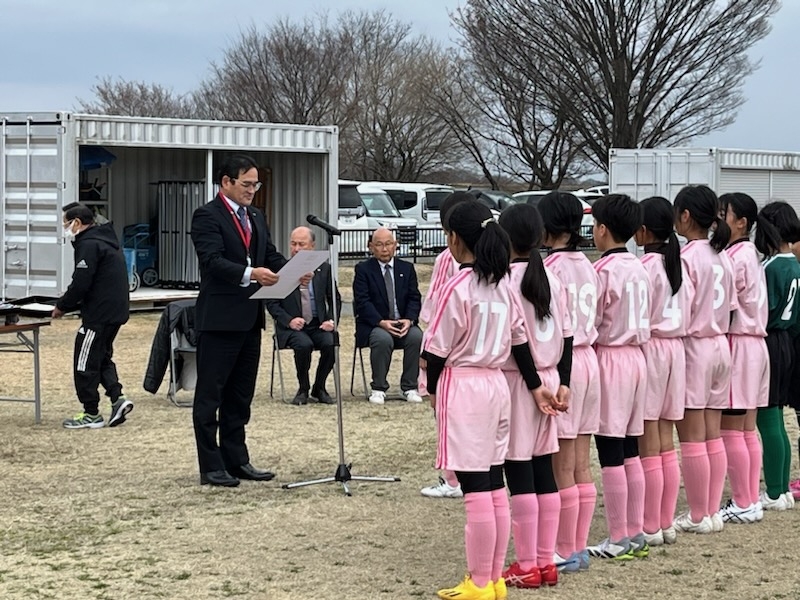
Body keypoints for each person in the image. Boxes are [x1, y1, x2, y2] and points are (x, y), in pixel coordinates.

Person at [423, 200, 545, 600]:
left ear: (454, 240)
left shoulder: (457, 287)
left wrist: (431, 390)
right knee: (494, 484)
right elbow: (519, 340)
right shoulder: (503, 285)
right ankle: (491, 579)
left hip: (467, 385)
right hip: (497, 386)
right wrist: (533, 383)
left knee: (476, 488)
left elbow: (435, 351)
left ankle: (478, 582)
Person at [190, 154, 294, 488]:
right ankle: (211, 465)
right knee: (211, 396)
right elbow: (212, 261)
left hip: (250, 319)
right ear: (226, 182)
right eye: (246, 184)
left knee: (240, 395)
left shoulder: (256, 216)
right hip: (219, 319)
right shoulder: (207, 216)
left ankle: (237, 459)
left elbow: (270, 255)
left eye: (255, 184)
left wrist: (294, 269)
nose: (252, 190)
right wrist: (252, 274)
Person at [498, 204, 570, 589]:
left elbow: (516, 339)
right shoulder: (553, 280)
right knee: (545, 470)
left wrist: (532, 385)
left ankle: (526, 563)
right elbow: (570, 335)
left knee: (519, 470)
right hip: (551, 376)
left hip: (521, 382)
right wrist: (564, 382)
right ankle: (546, 561)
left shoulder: (505, 281)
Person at [586, 194, 651, 560]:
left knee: (611, 447)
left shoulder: (604, 271)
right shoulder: (639, 266)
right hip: (637, 358)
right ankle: (635, 531)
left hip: (611, 357)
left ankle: (617, 537)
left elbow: (593, 320)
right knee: (630, 446)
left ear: (603, 229)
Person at [540, 192, 600, 571]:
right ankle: (577, 546)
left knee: (562, 464)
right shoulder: (589, 264)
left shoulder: (553, 269)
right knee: (581, 462)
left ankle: (563, 548)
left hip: (568, 362)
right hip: (591, 360)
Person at [671, 185, 737, 534]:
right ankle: (711, 512)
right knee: (713, 434)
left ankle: (699, 515)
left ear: (685, 215)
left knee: (694, 436)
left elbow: (681, 311)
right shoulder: (723, 254)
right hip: (720, 345)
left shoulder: (688, 257)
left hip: (696, 347)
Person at [633, 197, 690, 545]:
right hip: (676, 349)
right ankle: (665, 522)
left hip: (653, 348)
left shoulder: (646, 267)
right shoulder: (677, 264)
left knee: (648, 441)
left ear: (642, 230)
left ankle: (650, 524)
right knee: (667, 440)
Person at [717, 193, 776, 523]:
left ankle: (742, 500)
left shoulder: (735, 257)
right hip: (756, 345)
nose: (718, 220)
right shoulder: (750, 254)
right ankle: (749, 498)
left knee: (732, 429)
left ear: (741, 222)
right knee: (746, 429)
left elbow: (726, 308)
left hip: (740, 343)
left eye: (724, 214)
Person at [54, 202, 133, 430]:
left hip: (98, 314)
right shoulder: (106, 240)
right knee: (101, 356)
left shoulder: (88, 245)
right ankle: (118, 398)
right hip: (116, 311)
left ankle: (91, 413)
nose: (65, 228)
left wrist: (62, 306)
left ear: (77, 223)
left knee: (84, 361)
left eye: (66, 223)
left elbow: (81, 283)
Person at [420, 191, 472, 500]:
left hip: (449, 349)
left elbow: (434, 306)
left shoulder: (446, 259)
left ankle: (453, 477)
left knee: (444, 412)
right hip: (479, 352)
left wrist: (427, 352)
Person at [755, 201, 800, 511]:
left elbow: (762, 310)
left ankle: (773, 491)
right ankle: (781, 488)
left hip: (769, 339)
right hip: (788, 341)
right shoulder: (795, 263)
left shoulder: (771, 266)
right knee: (779, 418)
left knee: (767, 415)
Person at [266, 226, 341, 406]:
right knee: (304, 345)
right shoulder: (281, 269)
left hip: (317, 323)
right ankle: (303, 388)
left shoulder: (324, 269)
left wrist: (331, 320)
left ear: (312, 247)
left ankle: (319, 387)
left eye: (302, 244)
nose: (297, 248)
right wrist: (289, 320)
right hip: (292, 326)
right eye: (293, 244)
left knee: (330, 342)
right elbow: (271, 303)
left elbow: (335, 299)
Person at [353, 227, 423, 405]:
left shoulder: (406, 268)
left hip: (403, 323)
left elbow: (414, 297)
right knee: (382, 339)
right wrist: (381, 322)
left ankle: (409, 386)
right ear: (371, 247)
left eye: (388, 244)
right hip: (375, 325)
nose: (384, 249)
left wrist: (409, 319)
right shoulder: (363, 270)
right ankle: (378, 388)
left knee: (416, 336)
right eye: (379, 245)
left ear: (395, 245)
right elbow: (362, 301)